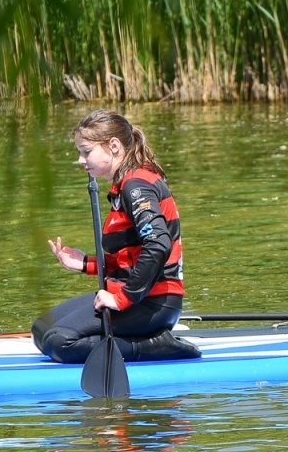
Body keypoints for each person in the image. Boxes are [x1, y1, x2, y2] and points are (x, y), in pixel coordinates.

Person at [34, 111, 200, 364]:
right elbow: (130, 259)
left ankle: (155, 346)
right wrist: (86, 263)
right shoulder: (125, 185)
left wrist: (121, 299)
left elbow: (158, 245)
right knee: (42, 329)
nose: (80, 160)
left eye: (86, 151)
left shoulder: (137, 186)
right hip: (133, 296)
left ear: (113, 146)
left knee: (59, 342)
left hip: (153, 303)